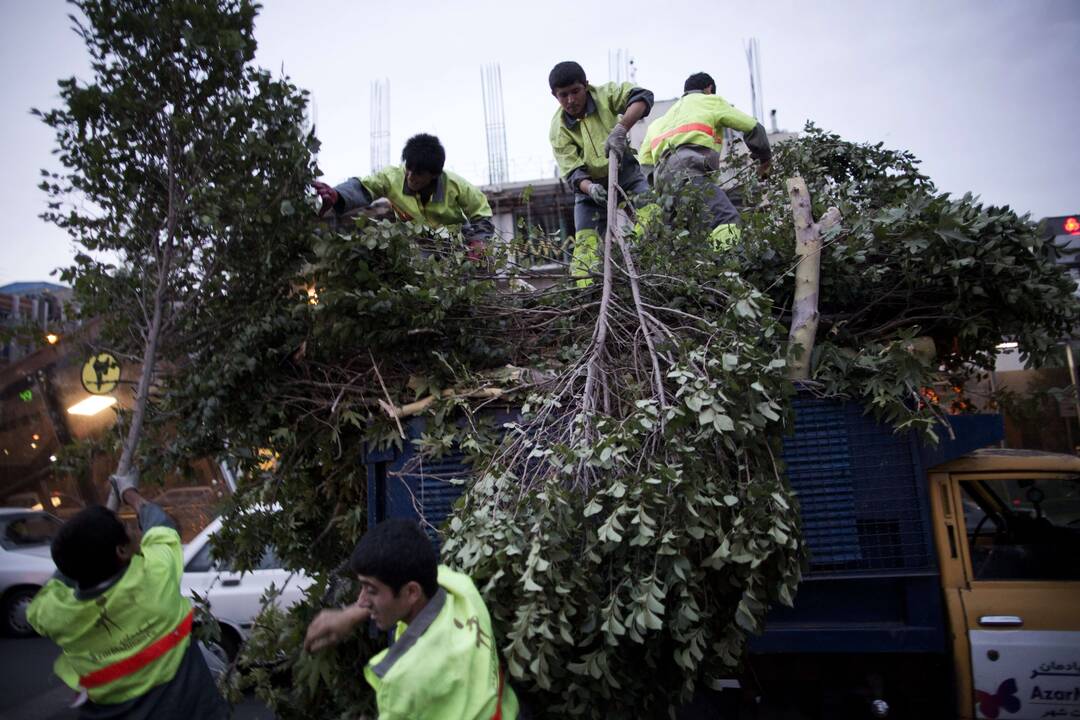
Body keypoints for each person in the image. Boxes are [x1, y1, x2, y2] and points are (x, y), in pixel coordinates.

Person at [26, 473, 229, 719]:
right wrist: (128, 492)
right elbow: (161, 524)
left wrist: (80, 549)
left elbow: (60, 580)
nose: (132, 527)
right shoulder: (155, 578)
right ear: (121, 550)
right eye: (125, 526)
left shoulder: (52, 613)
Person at [304, 518, 519, 720]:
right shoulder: (463, 589)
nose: (360, 600)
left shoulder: (402, 679)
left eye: (371, 590)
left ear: (411, 592)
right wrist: (349, 615)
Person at [638, 72, 772, 249]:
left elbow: (644, 163)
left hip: (664, 187)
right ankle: (724, 271)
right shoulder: (710, 101)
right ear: (709, 89)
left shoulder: (658, 122)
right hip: (690, 172)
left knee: (682, 237)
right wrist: (764, 161)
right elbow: (753, 127)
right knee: (726, 220)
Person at [548, 61, 653, 285]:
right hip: (589, 190)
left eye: (575, 92)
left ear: (586, 85)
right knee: (586, 248)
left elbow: (642, 96)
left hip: (626, 175)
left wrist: (622, 127)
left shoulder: (606, 95)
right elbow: (573, 173)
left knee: (652, 219)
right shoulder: (558, 129)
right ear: (554, 96)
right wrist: (591, 188)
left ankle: (656, 275)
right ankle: (585, 299)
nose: (570, 100)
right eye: (563, 95)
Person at [314, 133, 494, 260]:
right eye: (409, 169)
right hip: (419, 248)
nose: (410, 176)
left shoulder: (455, 185)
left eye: (418, 173)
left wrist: (478, 242)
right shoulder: (392, 177)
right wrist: (338, 194)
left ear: (434, 174)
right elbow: (365, 186)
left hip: (457, 245)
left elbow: (481, 209)